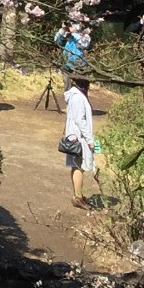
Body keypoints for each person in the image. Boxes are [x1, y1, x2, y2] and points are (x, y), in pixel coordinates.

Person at [63, 68, 96, 207]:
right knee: (78, 166)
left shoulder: (77, 95)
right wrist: (89, 139)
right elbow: (80, 120)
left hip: (77, 136)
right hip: (78, 138)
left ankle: (78, 195)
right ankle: (78, 196)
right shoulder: (77, 97)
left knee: (76, 166)